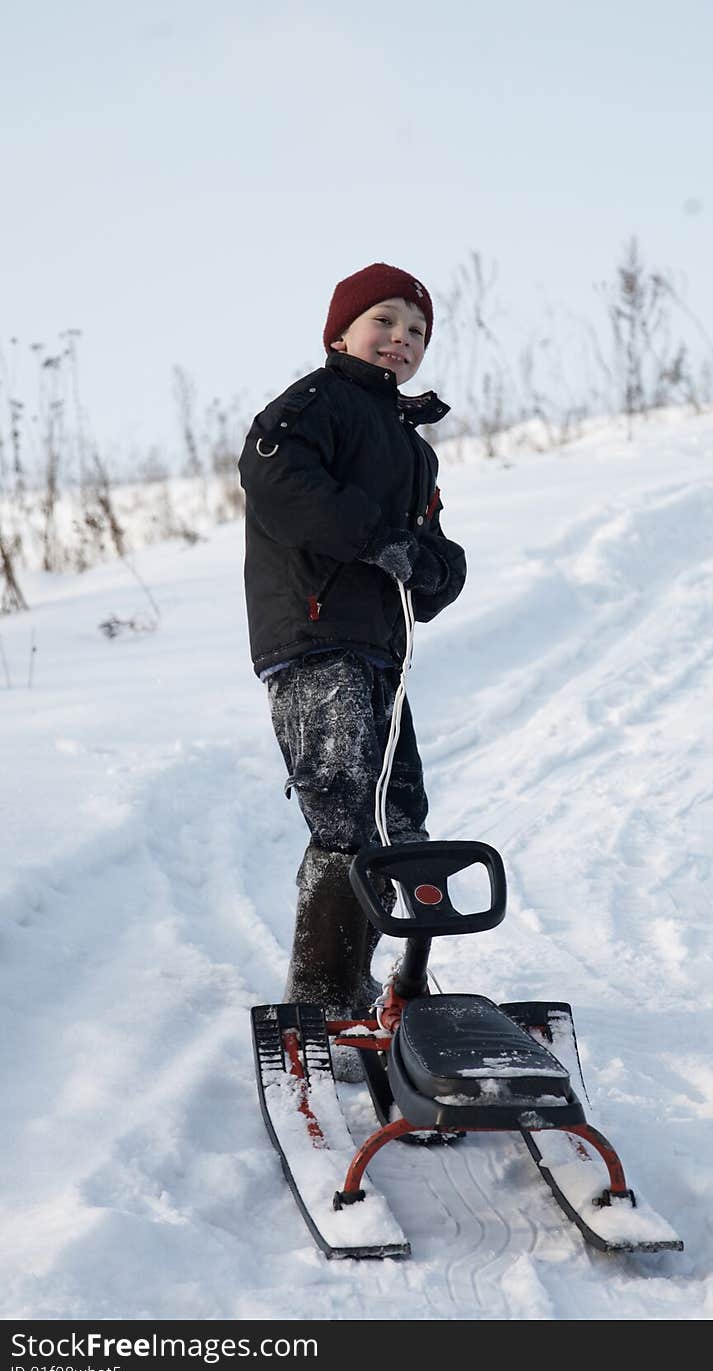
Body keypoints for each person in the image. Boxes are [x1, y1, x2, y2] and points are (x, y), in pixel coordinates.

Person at [238, 263, 466, 1050]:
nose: (401, 338)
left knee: (397, 818)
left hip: (381, 658)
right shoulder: (316, 403)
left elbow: (426, 558)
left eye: (417, 330)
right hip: (314, 637)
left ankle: (388, 986)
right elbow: (276, 479)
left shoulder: (412, 449)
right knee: (344, 808)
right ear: (341, 333)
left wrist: (434, 565)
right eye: (385, 321)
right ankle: (327, 996)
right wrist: (380, 537)